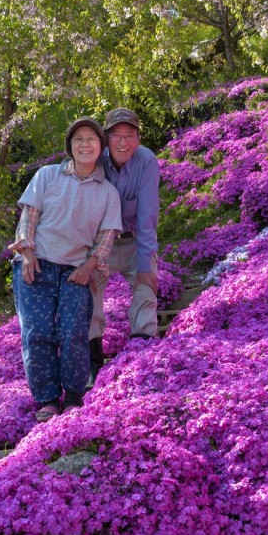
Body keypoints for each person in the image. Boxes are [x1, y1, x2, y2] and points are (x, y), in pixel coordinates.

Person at [12, 117, 121, 422]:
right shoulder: (47, 176)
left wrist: (89, 267)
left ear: (100, 148)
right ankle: (47, 399)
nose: (84, 145)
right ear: (70, 146)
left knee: (73, 331)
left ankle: (73, 396)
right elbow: (29, 218)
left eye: (91, 139)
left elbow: (105, 238)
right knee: (37, 332)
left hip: (76, 271)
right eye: (78, 140)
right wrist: (28, 253)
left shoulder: (107, 192)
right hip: (36, 264)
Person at [88, 108, 160, 385]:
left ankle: (142, 355)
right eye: (116, 135)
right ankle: (93, 364)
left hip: (133, 240)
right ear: (106, 139)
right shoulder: (95, 161)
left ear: (139, 138)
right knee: (89, 297)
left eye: (129, 135)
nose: (123, 142)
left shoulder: (146, 162)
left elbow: (147, 219)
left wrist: (145, 267)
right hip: (100, 244)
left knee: (146, 287)